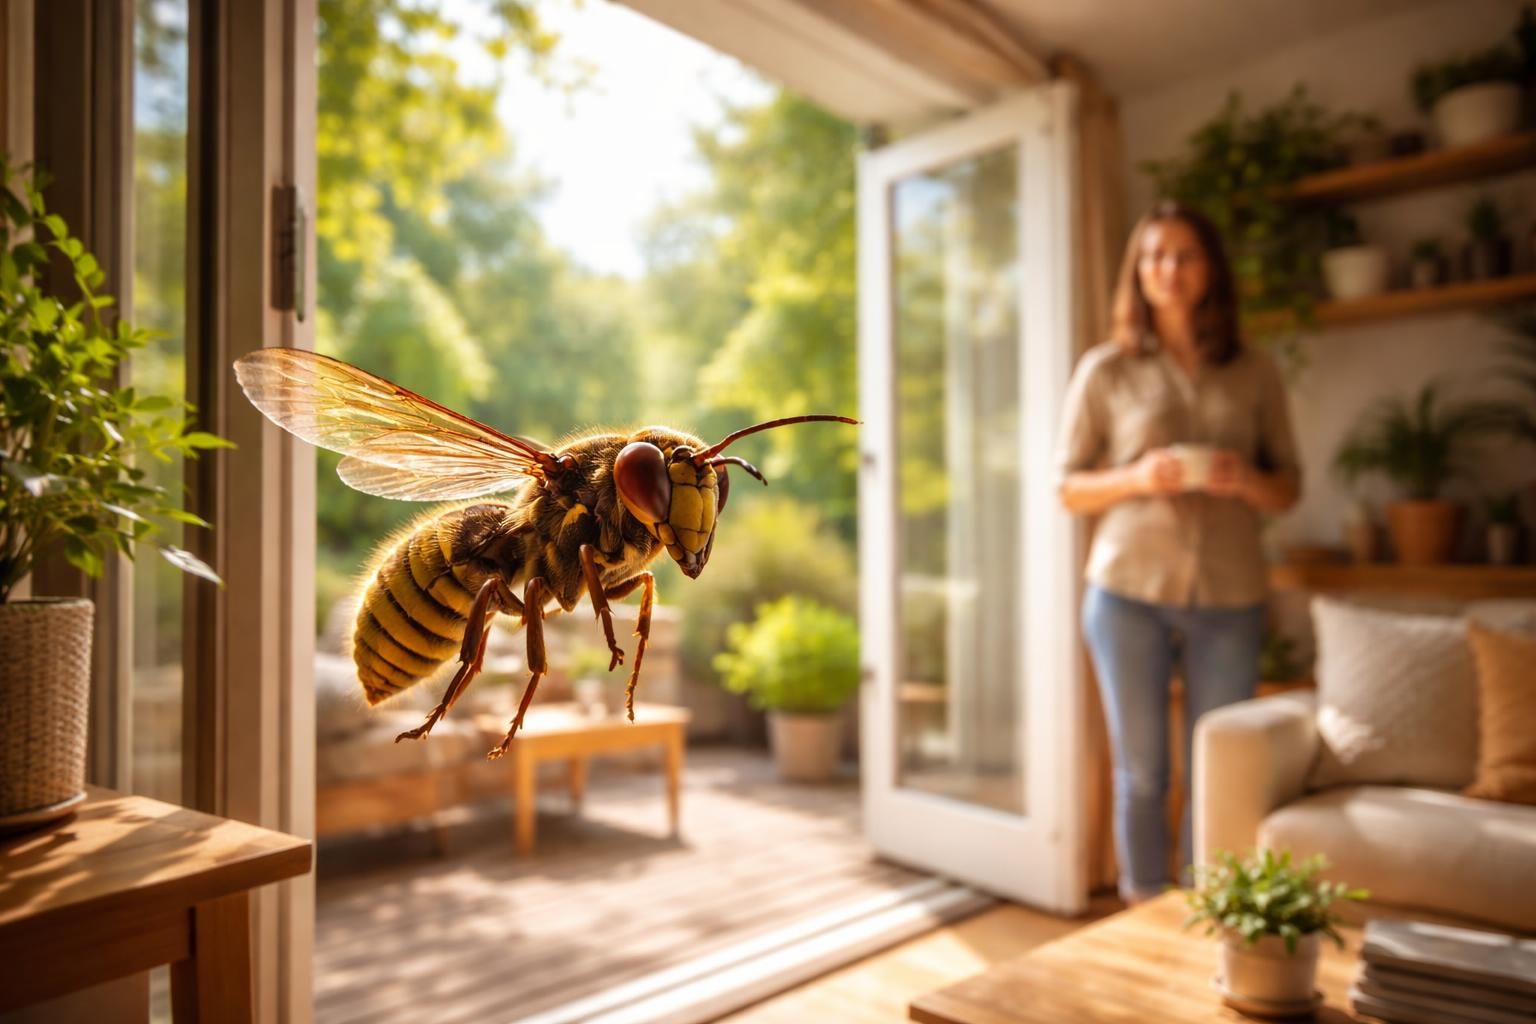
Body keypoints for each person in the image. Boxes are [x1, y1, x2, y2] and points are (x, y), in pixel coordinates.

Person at [1055, 201, 1301, 902]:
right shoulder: (1105, 369)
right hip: (1125, 590)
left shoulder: (1254, 370)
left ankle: (1209, 910)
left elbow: (1289, 487)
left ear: (1210, 268)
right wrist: (1137, 477)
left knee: (1219, 769)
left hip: (1231, 596)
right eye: (1154, 256)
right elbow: (1066, 486)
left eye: (1185, 254)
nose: (1169, 269)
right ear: (1138, 271)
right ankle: (1146, 910)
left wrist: (1244, 479)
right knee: (1143, 771)